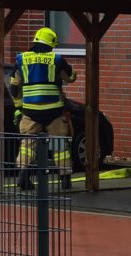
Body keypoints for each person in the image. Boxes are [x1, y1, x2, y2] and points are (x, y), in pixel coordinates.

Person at [10, 27, 77, 191]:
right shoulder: (57, 59)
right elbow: (69, 78)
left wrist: (19, 108)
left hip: (30, 112)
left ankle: (23, 177)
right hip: (54, 111)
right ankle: (65, 179)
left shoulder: (21, 59)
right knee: (59, 145)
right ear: (51, 43)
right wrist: (74, 74)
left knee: (27, 145)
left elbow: (13, 87)